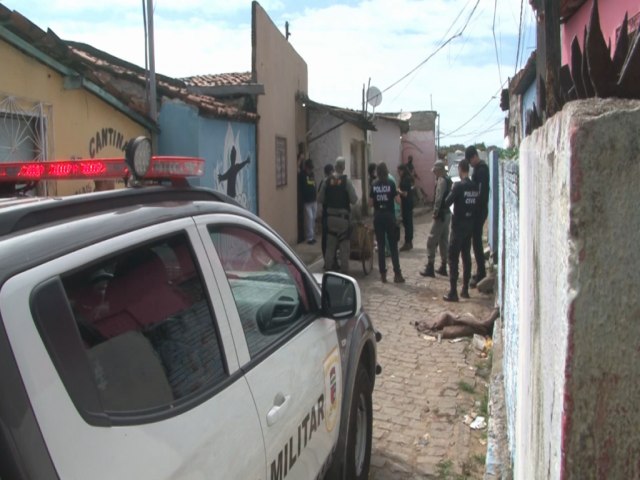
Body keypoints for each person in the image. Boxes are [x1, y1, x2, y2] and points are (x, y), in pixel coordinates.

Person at [442, 159, 478, 301]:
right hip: (469, 226)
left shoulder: (458, 186)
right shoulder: (474, 187)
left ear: (460, 170)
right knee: (466, 257)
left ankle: (453, 292)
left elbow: (447, 203)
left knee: (453, 258)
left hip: (458, 227)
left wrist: (451, 191)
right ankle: (465, 290)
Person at [317, 157, 357, 274]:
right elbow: (354, 200)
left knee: (330, 247)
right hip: (343, 220)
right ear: (343, 167)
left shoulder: (327, 181)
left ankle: (328, 272)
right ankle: (345, 275)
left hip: (330, 219)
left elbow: (320, 199)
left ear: (335, 166)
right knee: (344, 248)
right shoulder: (346, 182)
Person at [369, 162, 405, 284]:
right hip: (389, 217)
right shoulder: (391, 183)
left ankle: (383, 275)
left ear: (377, 173)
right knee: (393, 246)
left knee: (381, 245)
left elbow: (370, 203)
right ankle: (397, 274)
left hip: (378, 217)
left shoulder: (374, 184)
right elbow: (398, 200)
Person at [420, 160, 452, 277]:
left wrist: (435, 212)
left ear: (439, 170)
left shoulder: (441, 181)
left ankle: (430, 266)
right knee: (443, 241)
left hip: (441, 215)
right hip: (447, 214)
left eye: (435, 171)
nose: (434, 173)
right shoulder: (448, 180)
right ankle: (444, 265)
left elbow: (438, 198)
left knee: (431, 240)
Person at [466, 145, 490, 288]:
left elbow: (480, 193)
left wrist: (474, 207)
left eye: (470, 160)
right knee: (476, 242)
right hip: (478, 210)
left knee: (477, 242)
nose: (470, 164)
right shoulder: (478, 169)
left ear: (474, 156)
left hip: (479, 210)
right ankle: (480, 270)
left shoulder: (481, 170)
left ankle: (481, 273)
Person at [318, 163, 335, 262]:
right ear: (331, 171)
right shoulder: (336, 181)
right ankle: (333, 260)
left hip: (326, 213)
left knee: (325, 238)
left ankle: (326, 260)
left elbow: (319, 199)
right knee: (334, 237)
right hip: (334, 213)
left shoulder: (323, 182)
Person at [298, 158, 317, 244]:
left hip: (313, 200)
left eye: (311, 168)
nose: (310, 170)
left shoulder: (312, 174)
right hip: (307, 201)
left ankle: (312, 236)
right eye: (309, 168)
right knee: (309, 218)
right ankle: (309, 238)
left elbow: (314, 185)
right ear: (305, 167)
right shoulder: (302, 175)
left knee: (313, 218)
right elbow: (302, 188)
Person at [397, 164, 414, 251]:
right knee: (408, 223)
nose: (398, 173)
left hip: (407, 203)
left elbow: (405, 193)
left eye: (399, 171)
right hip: (408, 203)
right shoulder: (406, 178)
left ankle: (408, 242)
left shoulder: (405, 179)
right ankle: (409, 242)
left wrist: (398, 190)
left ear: (402, 171)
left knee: (407, 223)